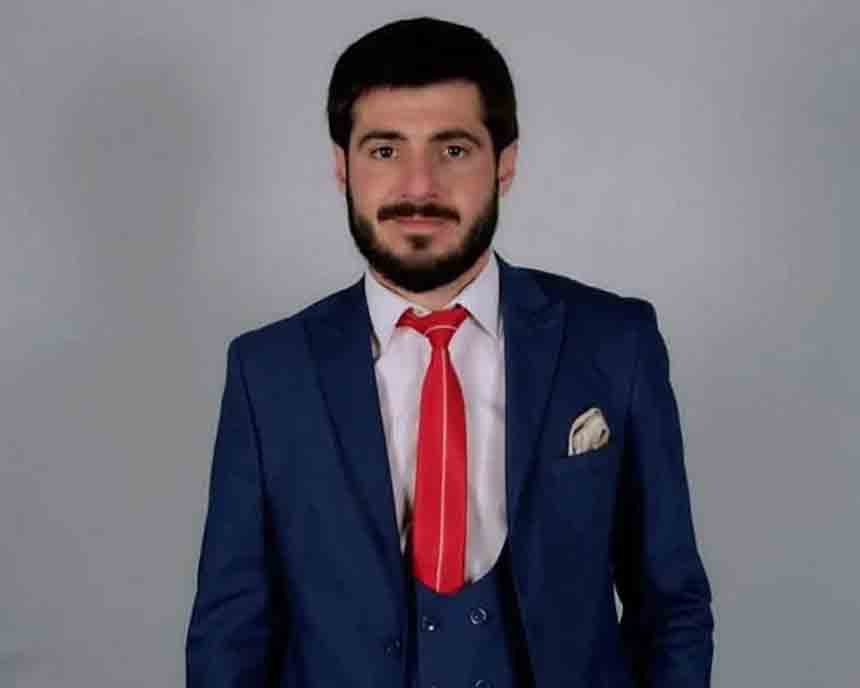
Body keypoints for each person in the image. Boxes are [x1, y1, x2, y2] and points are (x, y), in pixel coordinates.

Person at [185, 16, 714, 688]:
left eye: (454, 150)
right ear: (342, 167)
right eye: (384, 150)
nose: (419, 187)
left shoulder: (615, 342)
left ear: (506, 164)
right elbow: (229, 635)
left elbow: (671, 606)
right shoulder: (268, 371)